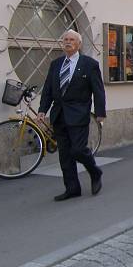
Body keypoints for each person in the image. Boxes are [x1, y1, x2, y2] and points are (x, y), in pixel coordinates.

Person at [38, 30, 106, 201]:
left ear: (78, 44)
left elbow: (98, 90)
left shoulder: (89, 64)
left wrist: (100, 112)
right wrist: (42, 110)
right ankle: (72, 188)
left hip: (79, 114)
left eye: (71, 40)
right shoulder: (56, 64)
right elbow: (48, 89)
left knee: (77, 150)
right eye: (65, 40)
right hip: (59, 115)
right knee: (65, 155)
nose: (68, 42)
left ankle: (95, 171)